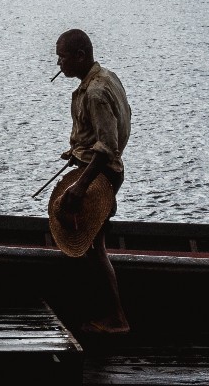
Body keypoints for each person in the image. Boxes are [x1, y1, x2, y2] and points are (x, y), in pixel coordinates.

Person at [53, 27, 132, 334]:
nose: (59, 64)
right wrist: (78, 152)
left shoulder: (96, 92)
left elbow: (107, 146)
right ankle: (104, 312)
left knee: (93, 246)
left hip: (101, 174)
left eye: (62, 57)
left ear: (80, 56)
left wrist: (80, 185)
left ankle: (116, 318)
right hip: (99, 168)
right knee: (92, 243)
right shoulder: (106, 77)